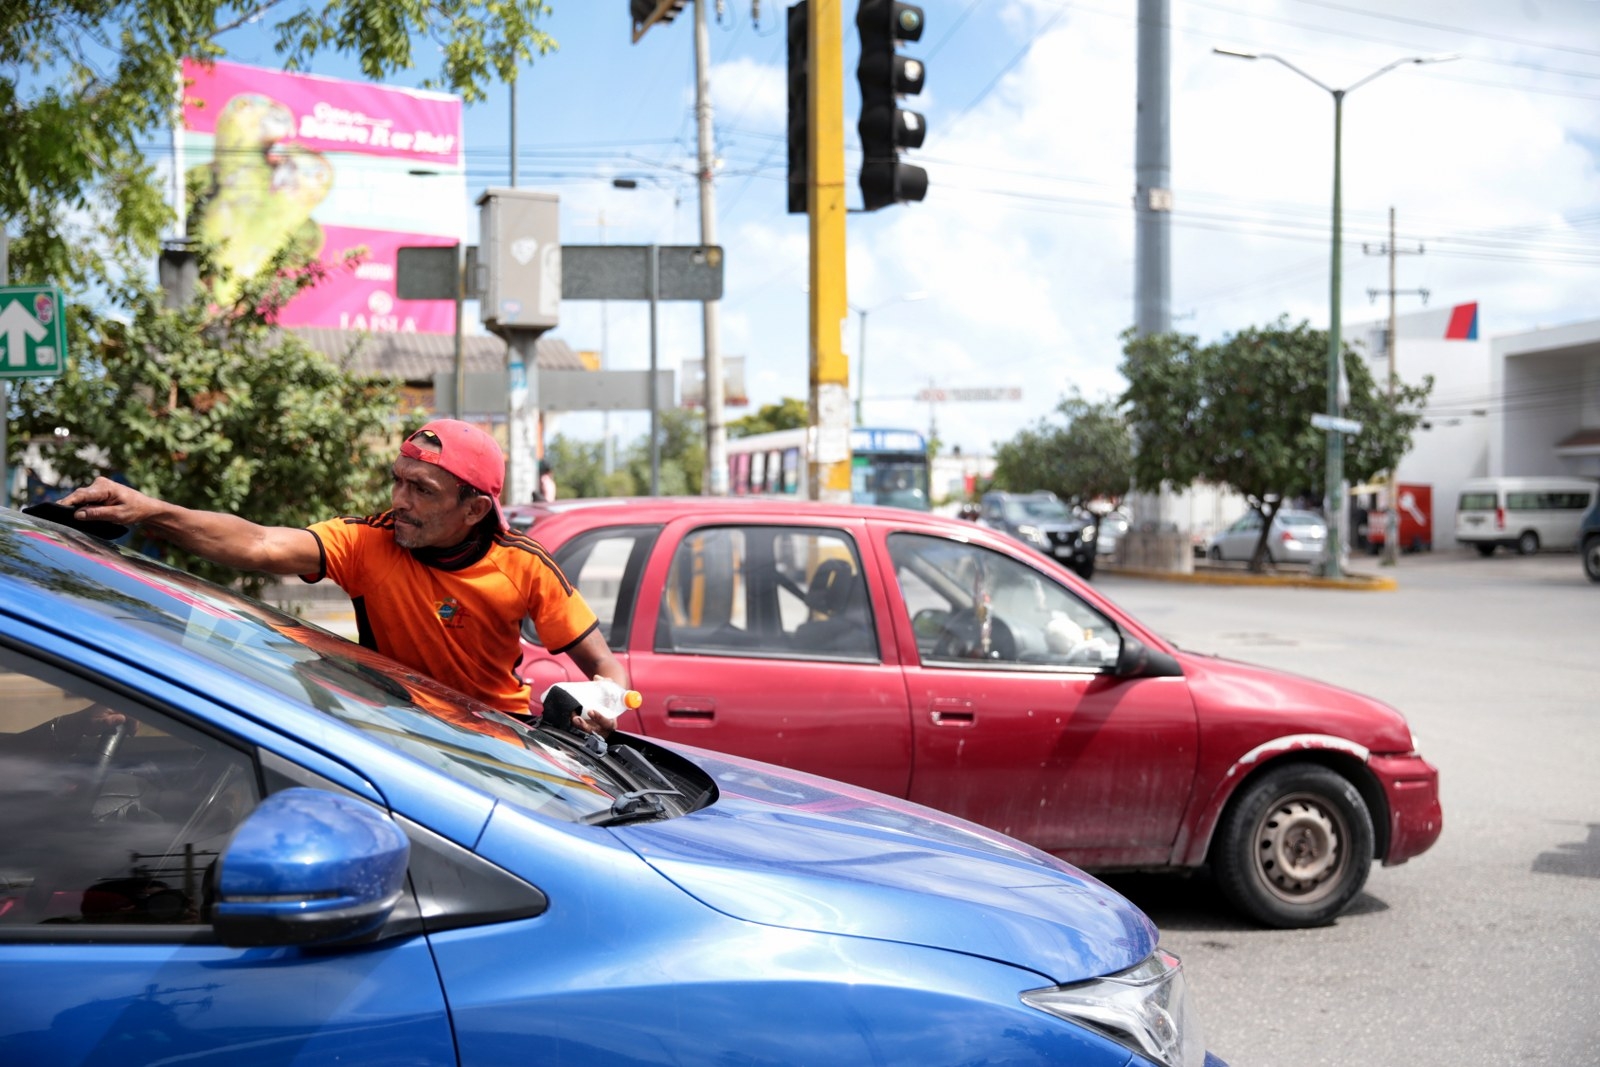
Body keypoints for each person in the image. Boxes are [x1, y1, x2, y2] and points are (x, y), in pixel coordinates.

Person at [58, 420, 628, 737]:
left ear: (474, 510)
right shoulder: (367, 543)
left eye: (421, 490)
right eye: (398, 480)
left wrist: (600, 704)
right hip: (400, 742)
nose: (398, 500)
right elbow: (259, 542)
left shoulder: (525, 565)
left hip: (501, 744)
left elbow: (606, 670)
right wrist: (148, 510)